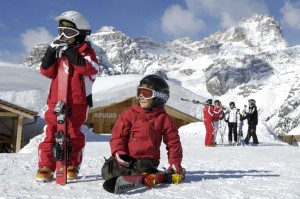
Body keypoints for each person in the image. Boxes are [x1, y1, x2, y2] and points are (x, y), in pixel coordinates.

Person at [36, 11, 100, 182]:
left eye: (69, 33)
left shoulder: (87, 52)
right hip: (56, 100)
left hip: (77, 101)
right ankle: (46, 166)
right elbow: (45, 71)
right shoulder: (58, 51)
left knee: (73, 133)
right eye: (61, 32)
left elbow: (90, 69)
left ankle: (72, 164)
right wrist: (51, 51)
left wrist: (71, 53)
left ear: (81, 35)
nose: (64, 36)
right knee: (51, 132)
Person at [101, 75, 184, 181]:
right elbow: (118, 136)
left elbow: (173, 142)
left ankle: (147, 175)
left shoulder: (163, 119)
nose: (141, 97)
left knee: (140, 169)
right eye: (139, 92)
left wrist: (175, 162)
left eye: (146, 93)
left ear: (159, 97)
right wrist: (119, 152)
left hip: (147, 158)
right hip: (127, 156)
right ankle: (127, 173)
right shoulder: (129, 115)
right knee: (109, 171)